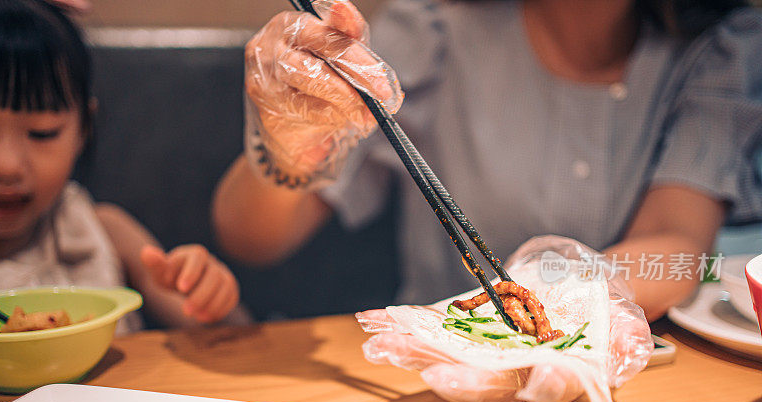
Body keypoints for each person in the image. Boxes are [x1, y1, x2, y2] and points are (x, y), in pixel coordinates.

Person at [213, 0, 762, 322]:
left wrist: (550, 299)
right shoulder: (436, 27)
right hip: (437, 372)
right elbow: (251, 237)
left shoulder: (723, 43)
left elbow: (677, 244)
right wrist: (288, 140)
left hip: (633, 375)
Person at [0, 0, 242, 332]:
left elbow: (224, 334)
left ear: (84, 129)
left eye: (42, 133)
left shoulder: (105, 232)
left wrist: (208, 294)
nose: (6, 166)